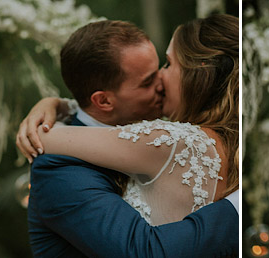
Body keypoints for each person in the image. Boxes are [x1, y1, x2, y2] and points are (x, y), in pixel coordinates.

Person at [21, 14, 239, 257]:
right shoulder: (59, 167)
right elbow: (141, 252)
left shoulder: (170, 132)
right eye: (147, 82)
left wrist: (60, 104)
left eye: (162, 67)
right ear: (103, 100)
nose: (161, 82)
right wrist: (238, 207)